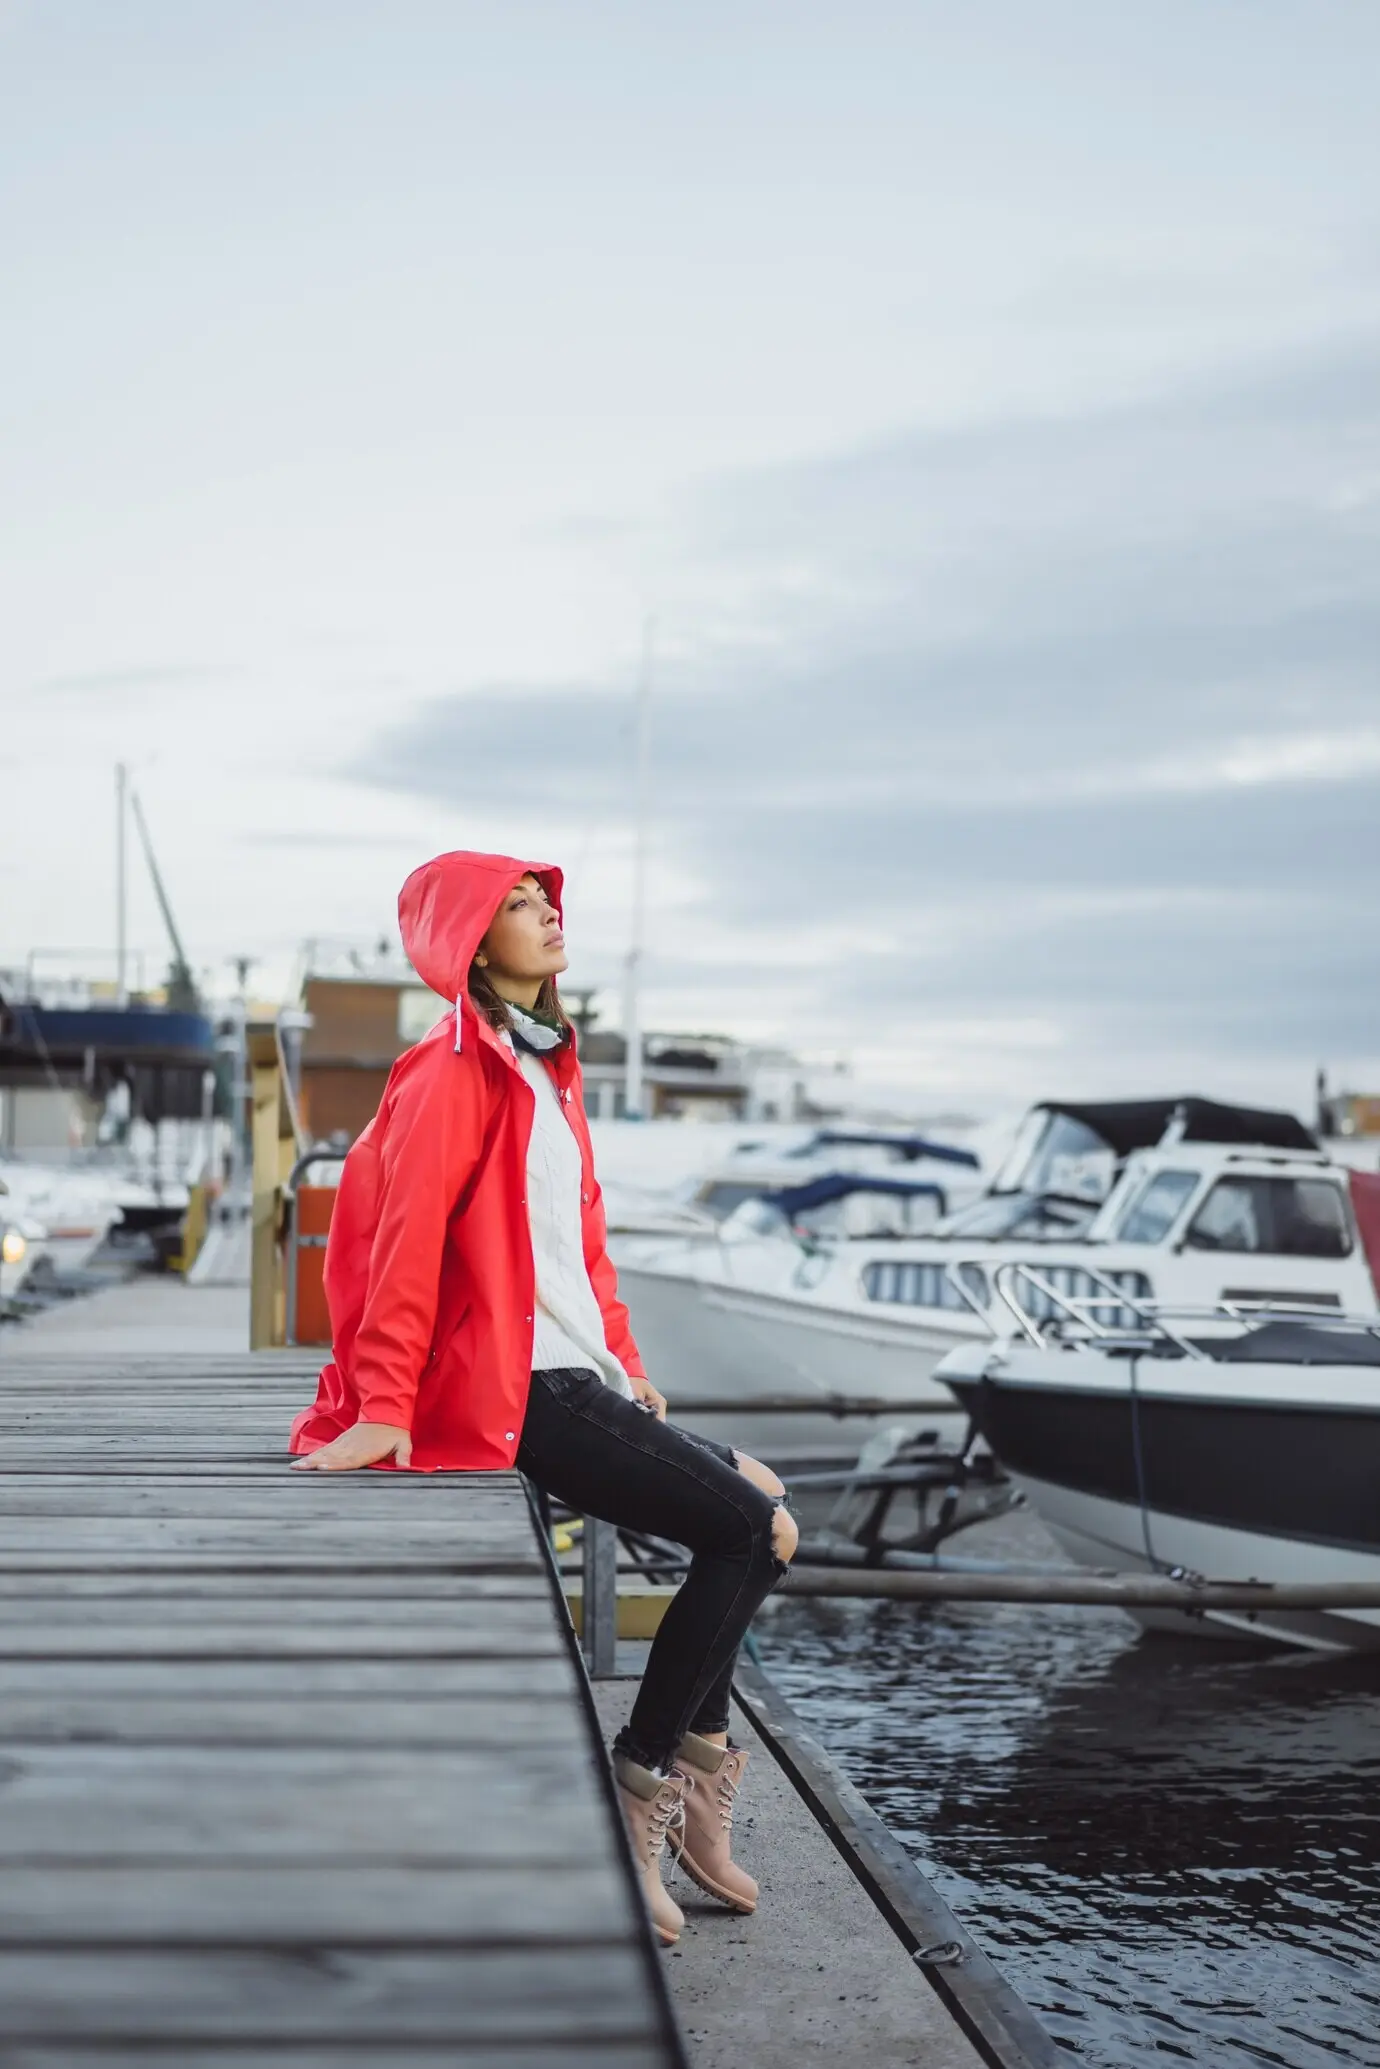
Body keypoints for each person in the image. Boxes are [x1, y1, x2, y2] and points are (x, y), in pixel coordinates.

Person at [288, 849, 798, 1946]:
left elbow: (582, 1245)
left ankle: (694, 1781)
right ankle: (644, 1783)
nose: (547, 915)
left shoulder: (546, 1068)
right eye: (517, 905)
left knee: (767, 1503)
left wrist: (626, 1353)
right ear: (470, 940)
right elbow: (403, 1251)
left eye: (546, 899)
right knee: (749, 1528)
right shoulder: (447, 1071)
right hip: (512, 1388)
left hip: (575, 1372)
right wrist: (384, 1402)